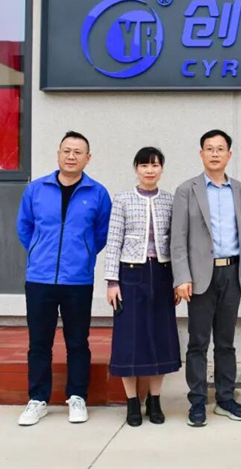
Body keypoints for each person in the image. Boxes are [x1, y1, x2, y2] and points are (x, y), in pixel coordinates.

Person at [16, 131, 112, 426]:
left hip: (77, 280)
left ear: (88, 158)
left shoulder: (97, 193)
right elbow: (25, 228)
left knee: (78, 342)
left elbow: (101, 234)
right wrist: (40, 252)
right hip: (40, 278)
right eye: (67, 151)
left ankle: (77, 397)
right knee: (39, 342)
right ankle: (38, 399)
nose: (71, 156)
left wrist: (82, 254)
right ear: (58, 154)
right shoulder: (36, 189)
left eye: (78, 152)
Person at [171, 129, 241, 427]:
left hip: (232, 272)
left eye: (220, 149)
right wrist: (182, 276)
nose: (215, 153)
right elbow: (177, 238)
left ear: (229, 155)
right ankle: (197, 401)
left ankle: (226, 398)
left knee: (226, 342)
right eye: (209, 148)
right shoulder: (186, 190)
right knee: (198, 342)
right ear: (201, 154)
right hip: (199, 276)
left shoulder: (240, 190)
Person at [102, 146, 181, 427]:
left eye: (155, 165)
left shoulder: (170, 200)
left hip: (162, 273)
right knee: (129, 338)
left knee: (160, 336)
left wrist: (178, 281)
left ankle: (155, 401)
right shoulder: (123, 199)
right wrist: (112, 281)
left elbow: (176, 242)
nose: (150, 170)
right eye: (144, 165)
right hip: (130, 275)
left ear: (162, 169)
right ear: (136, 168)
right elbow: (113, 241)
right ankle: (132, 402)